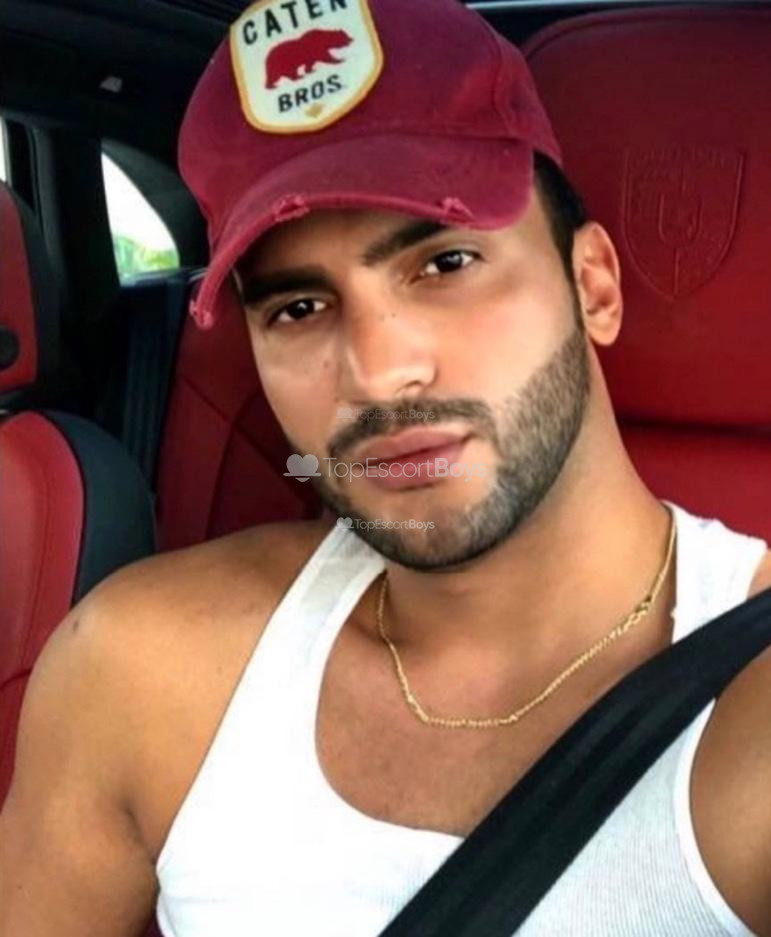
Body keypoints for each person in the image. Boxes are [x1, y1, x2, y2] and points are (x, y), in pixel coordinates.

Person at [1, 0, 770, 934]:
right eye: (297, 309)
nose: (376, 372)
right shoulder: (135, 668)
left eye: (445, 262)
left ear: (592, 286)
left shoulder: (750, 713)